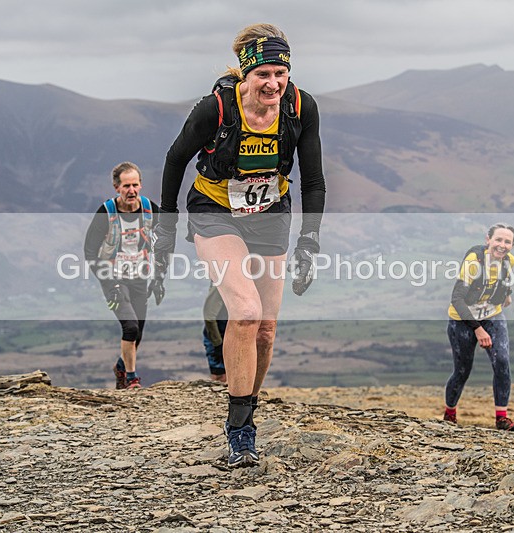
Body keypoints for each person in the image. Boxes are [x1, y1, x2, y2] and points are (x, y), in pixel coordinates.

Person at [152, 23, 326, 467]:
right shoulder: (214, 110)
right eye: (264, 74)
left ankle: (247, 402)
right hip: (215, 212)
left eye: (281, 74)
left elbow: (314, 179)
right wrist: (167, 230)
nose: (273, 84)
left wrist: (309, 241)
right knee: (245, 313)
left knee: (266, 330)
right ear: (246, 75)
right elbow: (175, 160)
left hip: (270, 215)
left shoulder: (301, 109)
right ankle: (240, 431)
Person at [83, 161, 161, 390]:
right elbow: (90, 250)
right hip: (113, 278)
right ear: (116, 187)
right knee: (130, 328)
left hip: (139, 277)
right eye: (126, 186)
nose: (132, 190)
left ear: (141, 185)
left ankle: (120, 365)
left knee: (138, 333)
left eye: (135, 185)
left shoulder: (150, 209)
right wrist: (108, 281)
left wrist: (158, 276)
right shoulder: (106, 212)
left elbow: (166, 237)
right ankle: (131, 378)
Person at [444, 223, 514, 431]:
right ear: (488, 240)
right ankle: (449, 414)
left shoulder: (510, 262)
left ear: (512, 245)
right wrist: (478, 329)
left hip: (493, 317)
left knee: (502, 361)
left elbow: (505, 282)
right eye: (498, 240)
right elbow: (457, 299)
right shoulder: (473, 263)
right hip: (463, 320)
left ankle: (502, 418)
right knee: (462, 371)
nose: (502, 245)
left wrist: (507, 295)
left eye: (507, 242)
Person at [202, 283, 228, 382]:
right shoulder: (222, 282)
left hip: (223, 335)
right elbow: (209, 317)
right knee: (220, 376)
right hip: (218, 335)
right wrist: (217, 343)